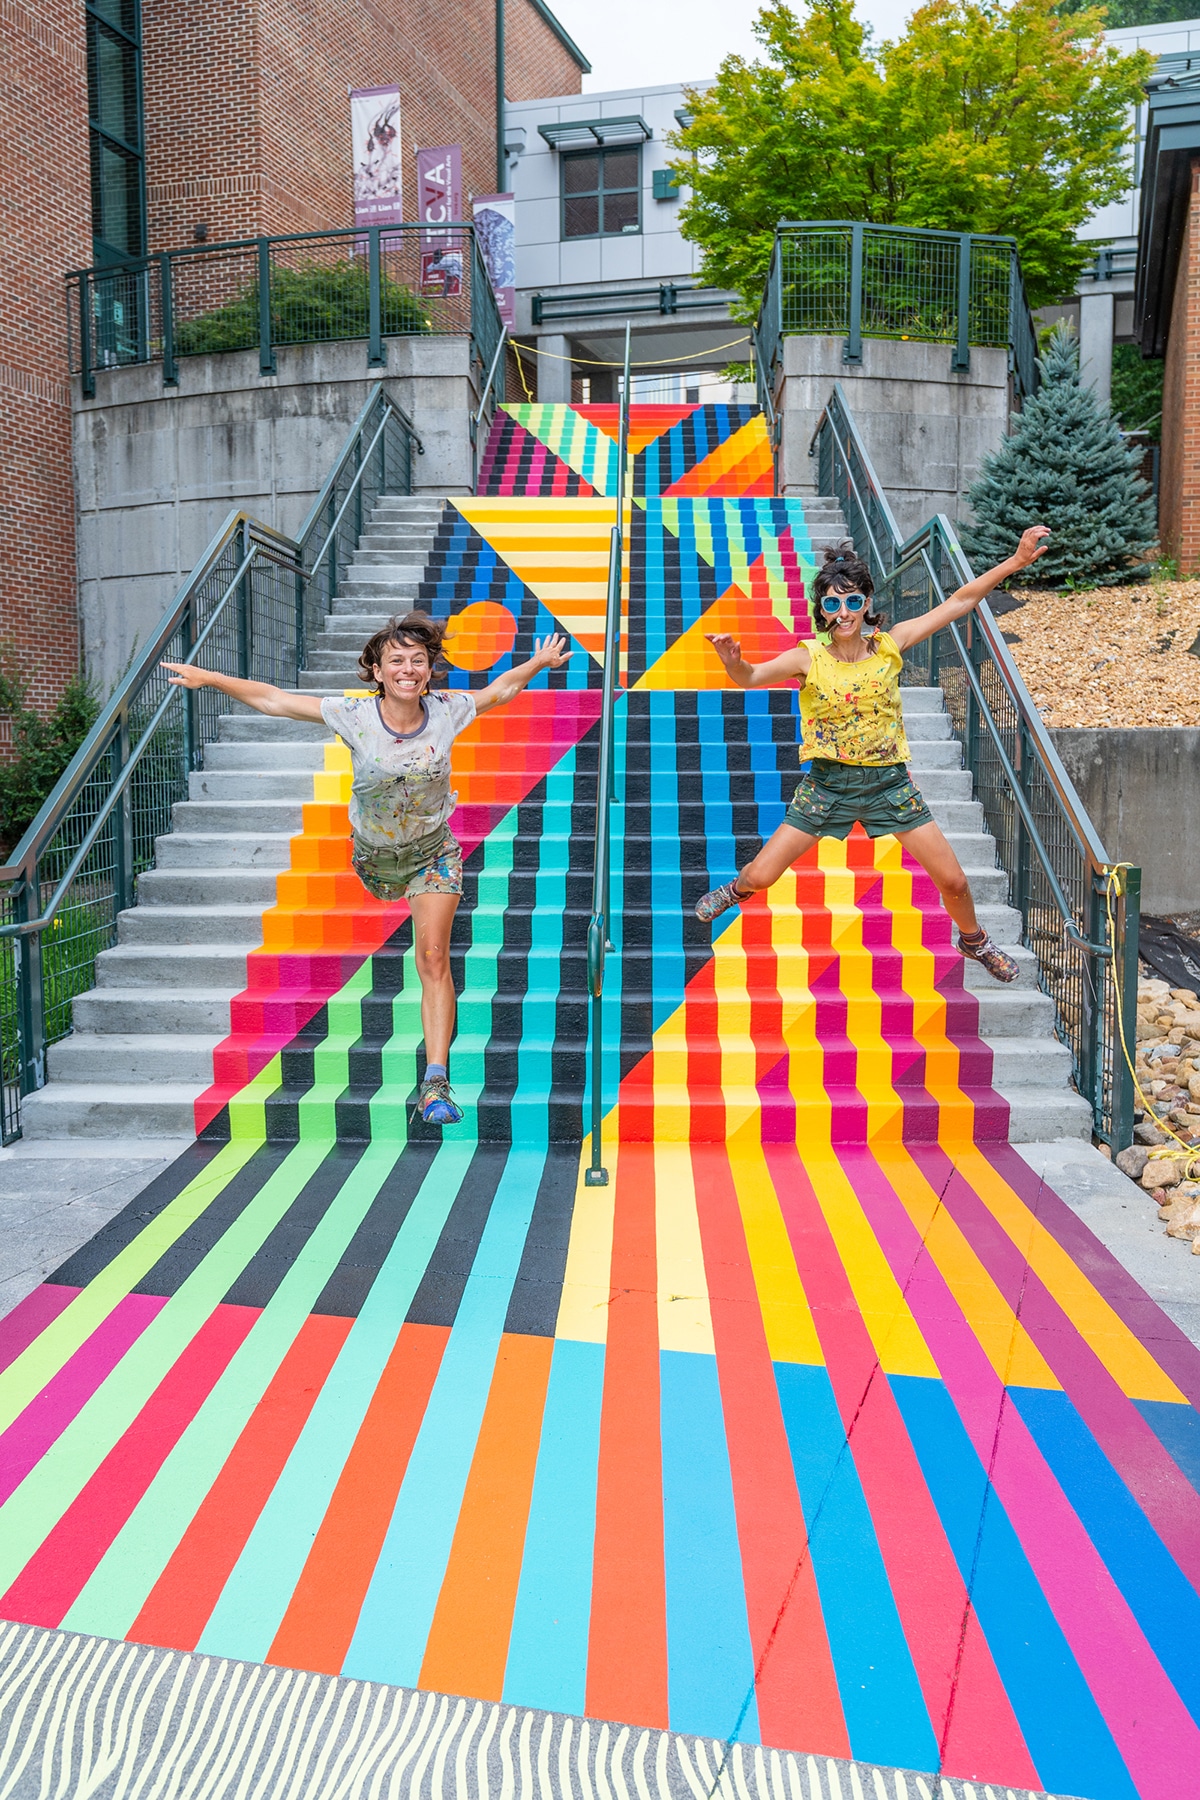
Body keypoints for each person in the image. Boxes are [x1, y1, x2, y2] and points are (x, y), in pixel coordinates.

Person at [163, 613, 571, 1125]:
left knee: (433, 956)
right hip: (375, 858)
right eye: (395, 660)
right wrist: (211, 678)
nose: (408, 668)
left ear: (429, 670)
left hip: (432, 852)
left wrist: (538, 660)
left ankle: (436, 1081)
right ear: (376, 671)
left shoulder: (448, 710)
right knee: (393, 901)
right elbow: (274, 700)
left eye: (418, 660)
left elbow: (501, 690)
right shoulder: (353, 715)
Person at [693, 527, 1051, 982]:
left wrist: (1015, 562)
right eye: (832, 603)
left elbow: (959, 601)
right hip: (827, 787)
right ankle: (735, 889)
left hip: (889, 785)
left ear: (865, 603)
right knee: (761, 877)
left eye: (853, 601)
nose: (844, 612)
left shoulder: (890, 645)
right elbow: (750, 676)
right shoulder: (808, 658)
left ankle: (974, 939)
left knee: (955, 881)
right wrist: (732, 661)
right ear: (821, 610)